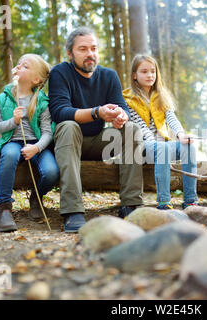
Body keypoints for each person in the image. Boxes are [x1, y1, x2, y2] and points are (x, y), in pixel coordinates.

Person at [48, 27, 144, 233]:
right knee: (68, 125)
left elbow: (123, 107)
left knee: (132, 129)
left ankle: (131, 206)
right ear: (70, 53)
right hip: (69, 144)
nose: (90, 54)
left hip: (100, 142)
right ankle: (72, 211)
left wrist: (121, 116)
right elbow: (59, 112)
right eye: (83, 49)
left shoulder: (109, 76)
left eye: (93, 48)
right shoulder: (60, 73)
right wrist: (96, 112)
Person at [0, 54, 60, 232]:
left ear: (37, 79)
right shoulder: (4, 97)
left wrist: (36, 148)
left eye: (25, 66)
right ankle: (4, 208)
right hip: (12, 141)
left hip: (36, 144)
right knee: (10, 154)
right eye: (18, 64)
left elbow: (47, 133)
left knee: (51, 171)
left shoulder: (42, 101)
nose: (19, 67)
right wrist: (13, 121)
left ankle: (36, 196)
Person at [123, 54, 198, 210]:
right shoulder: (127, 98)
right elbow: (140, 126)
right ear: (134, 75)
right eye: (144, 71)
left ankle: (190, 200)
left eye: (153, 71)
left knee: (189, 147)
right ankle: (164, 202)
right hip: (142, 146)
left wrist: (181, 135)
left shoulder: (161, 96)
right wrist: (156, 144)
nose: (150, 75)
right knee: (163, 148)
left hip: (161, 145)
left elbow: (171, 119)